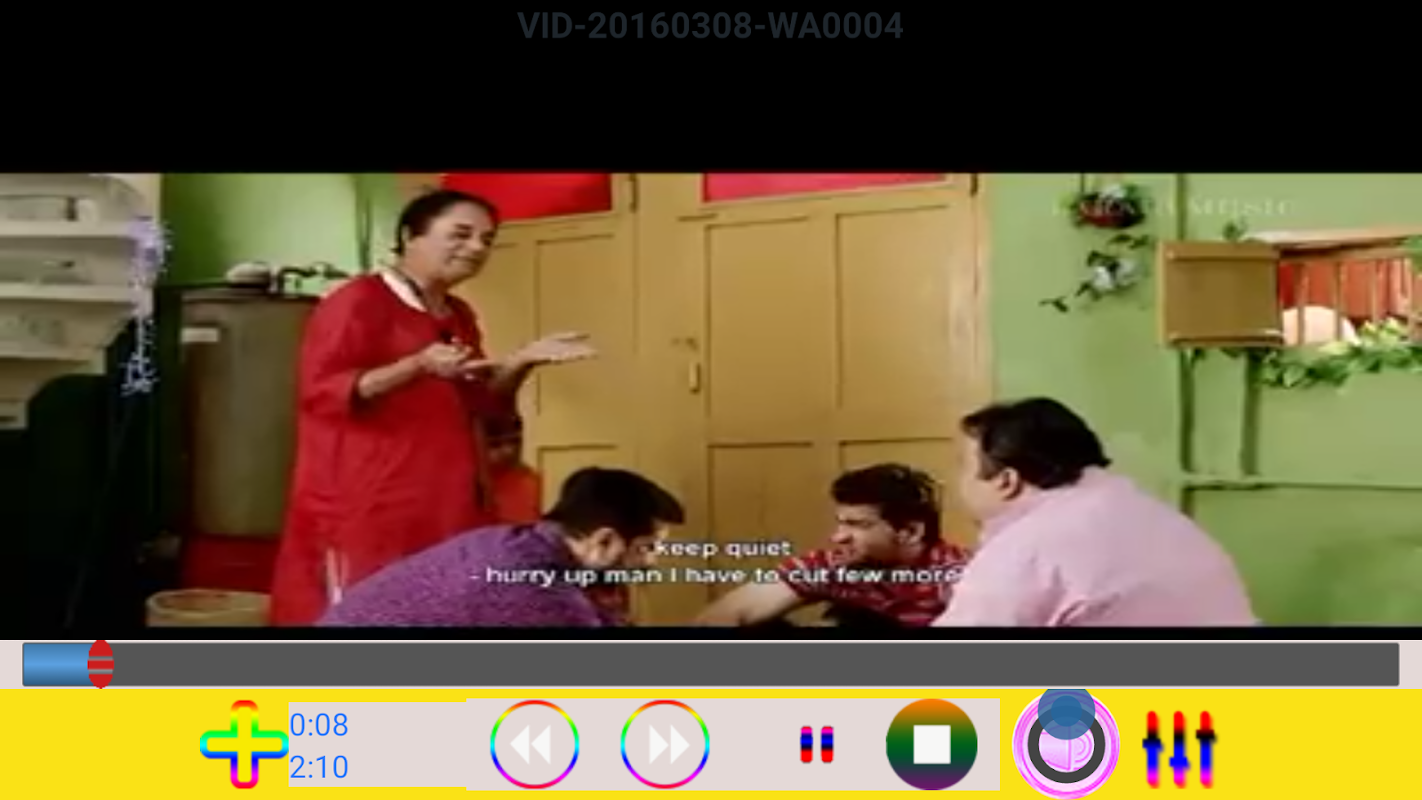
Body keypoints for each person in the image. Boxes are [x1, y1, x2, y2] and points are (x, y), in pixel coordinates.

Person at [270, 189, 596, 625]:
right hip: (371, 503)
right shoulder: (357, 301)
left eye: (487, 240)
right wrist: (416, 365)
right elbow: (323, 393)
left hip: (446, 502)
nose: (476, 248)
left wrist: (521, 361)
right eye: (461, 234)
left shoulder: (458, 314)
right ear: (410, 236)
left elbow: (484, 401)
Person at [933, 397, 1257, 627]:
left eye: (962, 466)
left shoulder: (1025, 550)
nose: (953, 478)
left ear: (1006, 481)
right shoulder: (1148, 512)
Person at [316, 467, 685, 627]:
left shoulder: (513, 544)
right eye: (646, 548)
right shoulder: (534, 591)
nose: (652, 562)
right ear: (604, 540)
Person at [694, 464, 972, 629]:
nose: (838, 537)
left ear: (909, 532)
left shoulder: (963, 575)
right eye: (840, 523)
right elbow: (717, 619)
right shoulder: (834, 564)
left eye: (857, 525)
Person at [485, 414, 543, 524]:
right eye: (495, 445)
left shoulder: (531, 479)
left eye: (515, 442)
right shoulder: (467, 485)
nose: (509, 451)